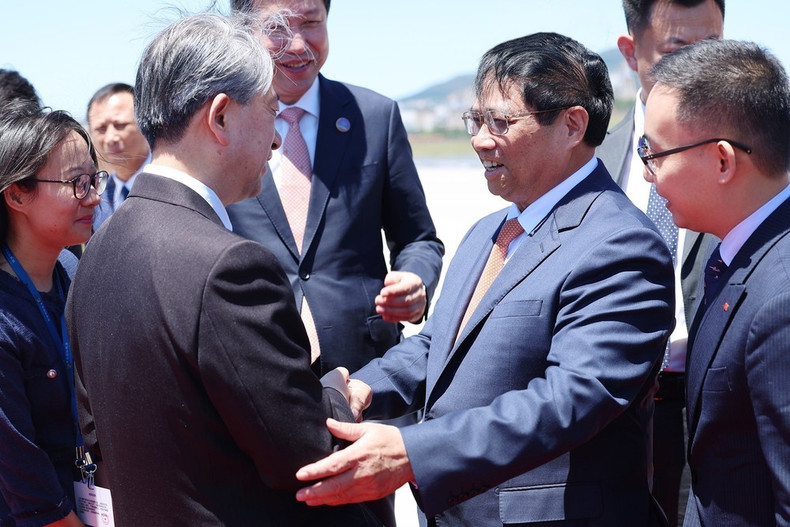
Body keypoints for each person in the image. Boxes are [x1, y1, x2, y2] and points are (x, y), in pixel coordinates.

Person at [293, 32, 676, 526]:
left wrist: (413, 451)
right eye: (476, 120)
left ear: (572, 125)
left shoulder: (621, 245)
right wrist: (366, 387)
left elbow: (571, 399)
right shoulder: (488, 231)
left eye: (500, 122)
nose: (479, 139)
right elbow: (440, 344)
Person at [66, 12, 378, 526]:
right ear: (221, 117)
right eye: (271, 112)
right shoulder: (230, 267)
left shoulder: (98, 250)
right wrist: (338, 392)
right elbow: (307, 453)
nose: (278, 140)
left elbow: (98, 435)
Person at [227, 0, 444, 378]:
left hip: (368, 368)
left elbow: (419, 239)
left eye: (311, 23)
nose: (297, 45)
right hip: (252, 365)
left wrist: (416, 282)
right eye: (277, 27)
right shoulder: (221, 122)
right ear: (243, 30)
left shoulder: (374, 116)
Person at [643, 38, 790, 526]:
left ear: (723, 161)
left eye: (656, 154)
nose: (649, 175)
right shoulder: (740, 254)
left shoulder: (781, 302)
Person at [595, 1, 724, 523]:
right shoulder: (590, 153)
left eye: (712, 49)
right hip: (610, 405)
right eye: (677, 52)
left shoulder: (763, 157)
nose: (700, 69)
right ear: (631, 51)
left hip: (713, 403)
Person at [0, 101, 106, 526]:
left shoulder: (73, 268)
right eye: (77, 183)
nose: (94, 196)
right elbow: (23, 476)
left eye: (94, 179)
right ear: (17, 193)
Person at [86, 83, 151, 230]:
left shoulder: (172, 184)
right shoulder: (94, 201)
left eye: (120, 125)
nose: (110, 138)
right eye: (101, 129)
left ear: (144, 124)